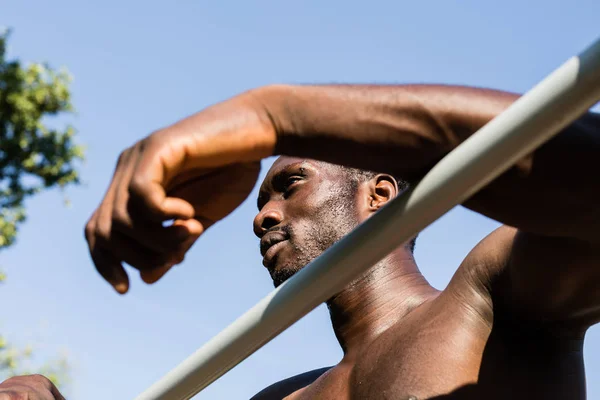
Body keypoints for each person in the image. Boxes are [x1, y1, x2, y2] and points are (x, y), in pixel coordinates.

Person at [85, 84, 600, 399]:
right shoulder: (279, 396)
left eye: (290, 184)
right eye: (262, 203)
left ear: (378, 193)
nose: (262, 216)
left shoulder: (494, 303)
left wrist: (273, 115)